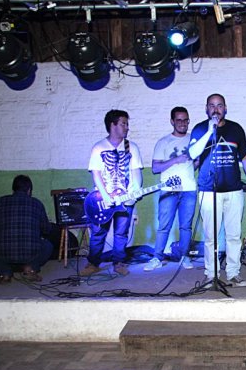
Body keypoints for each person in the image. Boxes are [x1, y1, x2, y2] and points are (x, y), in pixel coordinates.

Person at [188, 93, 246, 287]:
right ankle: (211, 274)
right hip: (209, 191)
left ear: (225, 108)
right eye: (212, 105)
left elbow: (245, 157)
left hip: (233, 190)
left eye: (219, 105)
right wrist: (210, 131)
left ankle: (233, 272)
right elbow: (192, 153)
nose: (215, 109)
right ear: (206, 108)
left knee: (234, 235)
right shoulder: (200, 129)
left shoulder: (236, 129)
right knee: (211, 236)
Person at [80, 109, 143, 277]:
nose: (127, 127)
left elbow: (136, 172)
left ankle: (119, 262)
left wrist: (135, 191)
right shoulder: (98, 147)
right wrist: (106, 196)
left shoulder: (132, 147)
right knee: (98, 233)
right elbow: (96, 174)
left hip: (125, 199)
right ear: (112, 125)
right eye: (123, 123)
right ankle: (93, 263)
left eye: (127, 124)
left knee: (121, 233)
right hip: (102, 200)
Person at [144, 106, 197, 271]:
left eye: (185, 120)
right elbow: (155, 168)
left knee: (186, 226)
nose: (182, 123)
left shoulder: (193, 140)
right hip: (168, 190)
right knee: (164, 226)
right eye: (179, 120)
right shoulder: (163, 142)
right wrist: (176, 160)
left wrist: (189, 168)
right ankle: (157, 258)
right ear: (172, 121)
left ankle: (185, 256)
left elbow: (197, 162)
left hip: (189, 190)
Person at [0, 175, 52, 284]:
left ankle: (5, 272)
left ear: (13, 189)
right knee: (48, 246)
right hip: (30, 253)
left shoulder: (0, 202)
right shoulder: (37, 203)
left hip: (4, 252)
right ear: (29, 190)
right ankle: (30, 268)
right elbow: (46, 229)